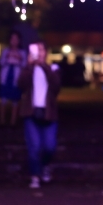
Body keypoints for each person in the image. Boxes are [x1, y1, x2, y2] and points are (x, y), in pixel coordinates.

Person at [17, 42, 61, 189]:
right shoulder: (28, 69)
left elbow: (56, 87)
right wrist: (29, 66)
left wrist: (43, 66)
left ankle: (46, 165)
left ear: (46, 52)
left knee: (49, 146)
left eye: (41, 50)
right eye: (36, 50)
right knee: (34, 147)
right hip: (31, 113)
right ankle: (35, 175)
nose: (39, 53)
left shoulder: (53, 68)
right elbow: (21, 85)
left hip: (49, 114)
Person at [0, 30, 27, 126]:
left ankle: (13, 122)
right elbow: (1, 63)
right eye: (12, 39)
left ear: (19, 40)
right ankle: (2, 121)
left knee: (15, 100)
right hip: (5, 78)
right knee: (3, 100)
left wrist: (19, 59)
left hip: (16, 79)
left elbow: (25, 65)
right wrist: (7, 57)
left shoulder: (22, 52)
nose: (14, 41)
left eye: (16, 39)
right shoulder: (5, 50)